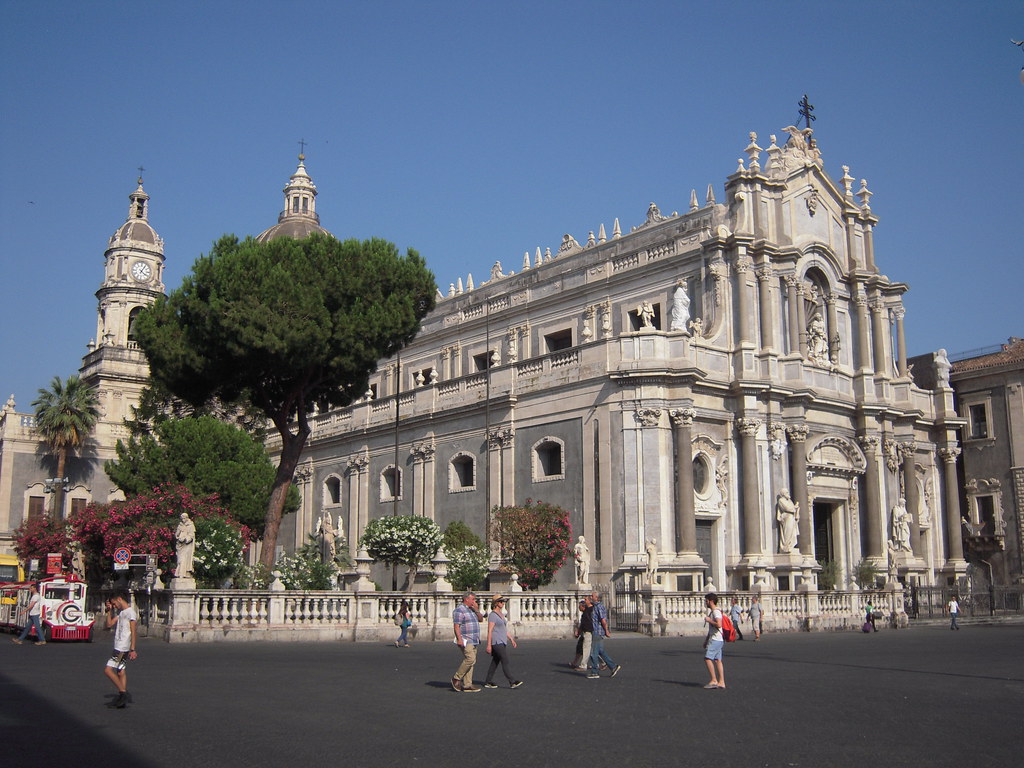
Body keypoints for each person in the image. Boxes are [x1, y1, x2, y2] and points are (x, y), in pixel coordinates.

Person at [103, 591, 138, 709]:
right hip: (119, 645)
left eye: (114, 604)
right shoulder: (122, 613)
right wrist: (109, 611)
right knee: (120, 671)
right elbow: (109, 624)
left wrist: (133, 649)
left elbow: (133, 631)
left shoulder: (130, 613)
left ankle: (123, 693)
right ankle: (121, 698)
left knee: (108, 670)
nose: (114, 606)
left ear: (119, 599)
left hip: (122, 647)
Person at [483, 595, 522, 689]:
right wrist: (488, 645)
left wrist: (511, 639)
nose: (503, 603)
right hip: (496, 641)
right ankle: (512, 681)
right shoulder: (492, 615)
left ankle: (488, 681)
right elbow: (490, 630)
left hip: (502, 640)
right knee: (505, 660)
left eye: (503, 601)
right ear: (496, 603)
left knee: (495, 661)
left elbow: (504, 629)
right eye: (501, 601)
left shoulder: (501, 614)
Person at [452, 591, 484, 692]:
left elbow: (481, 619)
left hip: (474, 639)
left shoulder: (471, 610)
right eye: (473, 599)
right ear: (467, 599)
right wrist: (459, 639)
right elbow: (456, 625)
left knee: (472, 662)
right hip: (466, 639)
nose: (474, 601)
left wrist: (477, 610)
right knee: (470, 659)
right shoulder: (459, 610)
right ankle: (456, 678)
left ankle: (467, 684)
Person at [587, 591, 621, 679]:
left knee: (593, 653)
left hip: (597, 631)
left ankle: (595, 672)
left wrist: (606, 631)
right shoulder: (595, 606)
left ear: (597, 598)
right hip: (596, 631)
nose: (591, 597)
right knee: (600, 651)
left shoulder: (599, 607)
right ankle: (613, 666)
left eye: (592, 596)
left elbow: (603, 620)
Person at [703, 593, 725, 689]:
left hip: (716, 639)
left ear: (711, 601)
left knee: (707, 658)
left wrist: (709, 620)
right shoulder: (714, 612)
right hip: (717, 638)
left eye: (706, 601)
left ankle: (714, 680)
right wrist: (706, 640)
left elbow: (719, 624)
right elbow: (712, 629)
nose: (705, 603)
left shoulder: (716, 612)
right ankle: (721, 682)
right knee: (718, 660)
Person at [571, 596, 594, 670]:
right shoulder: (586, 612)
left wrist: (579, 631)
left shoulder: (589, 611)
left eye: (579, 606)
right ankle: (575, 662)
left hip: (587, 631)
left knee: (587, 648)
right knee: (581, 647)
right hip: (584, 632)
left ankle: (583, 665)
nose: (578, 608)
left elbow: (585, 623)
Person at [776, 489, 800, 553]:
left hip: (791, 517)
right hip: (787, 517)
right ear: (783, 494)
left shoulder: (789, 501)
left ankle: (790, 545)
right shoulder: (781, 500)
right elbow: (787, 508)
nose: (788, 493)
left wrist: (796, 509)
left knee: (792, 532)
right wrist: (795, 507)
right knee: (787, 532)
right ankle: (786, 546)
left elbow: (792, 508)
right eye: (787, 492)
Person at [174, 512, 197, 578]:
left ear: (187, 518)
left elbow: (191, 535)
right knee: (180, 559)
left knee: (184, 559)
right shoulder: (180, 525)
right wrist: (178, 538)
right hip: (180, 545)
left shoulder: (190, 525)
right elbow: (176, 535)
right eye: (182, 518)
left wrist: (185, 539)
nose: (183, 519)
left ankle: (184, 573)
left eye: (184, 518)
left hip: (187, 545)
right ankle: (179, 573)